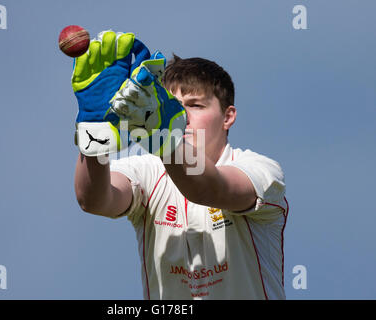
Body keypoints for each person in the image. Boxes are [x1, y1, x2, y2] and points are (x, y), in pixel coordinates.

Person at [72, 31, 288, 300]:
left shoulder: (259, 168)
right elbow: (93, 200)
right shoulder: (146, 170)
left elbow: (209, 189)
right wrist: (95, 134)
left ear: (227, 116)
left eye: (195, 105)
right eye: (174, 105)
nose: (184, 116)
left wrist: (164, 135)